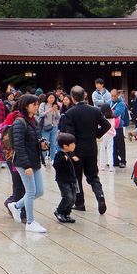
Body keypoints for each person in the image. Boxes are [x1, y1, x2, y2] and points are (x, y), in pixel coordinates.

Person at [63, 86, 111, 214]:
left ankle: (80, 203)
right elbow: (107, 124)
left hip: (77, 148)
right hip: (91, 147)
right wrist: (97, 134)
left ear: (73, 98)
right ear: (85, 96)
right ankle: (100, 196)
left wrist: (70, 152)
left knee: (77, 176)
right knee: (93, 175)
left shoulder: (70, 113)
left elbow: (70, 135)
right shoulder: (95, 110)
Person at [6, 94, 47, 233]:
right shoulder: (19, 122)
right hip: (24, 162)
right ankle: (30, 222)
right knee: (31, 192)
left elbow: (36, 138)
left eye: (37, 104)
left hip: (34, 160)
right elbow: (19, 146)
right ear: (26, 105)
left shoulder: (33, 120)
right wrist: (26, 165)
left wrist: (41, 143)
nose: (37, 106)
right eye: (34, 104)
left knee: (39, 191)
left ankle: (16, 206)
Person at [53, 133, 79, 223]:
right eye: (72, 144)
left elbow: (74, 167)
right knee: (67, 197)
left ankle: (67, 213)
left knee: (73, 198)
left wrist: (76, 161)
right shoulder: (59, 155)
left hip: (72, 179)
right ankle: (59, 211)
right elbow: (56, 166)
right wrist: (63, 160)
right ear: (65, 146)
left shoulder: (72, 154)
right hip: (63, 180)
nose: (74, 146)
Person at [37, 92, 61, 165]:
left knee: (53, 144)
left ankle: (53, 159)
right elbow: (40, 114)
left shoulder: (56, 105)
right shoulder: (43, 105)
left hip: (54, 127)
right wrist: (50, 110)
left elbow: (58, 117)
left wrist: (56, 110)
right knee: (44, 143)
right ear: (47, 98)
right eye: (50, 97)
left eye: (53, 98)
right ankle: (43, 159)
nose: (51, 99)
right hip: (45, 127)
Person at [110, 89, 128, 168]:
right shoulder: (110, 102)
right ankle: (115, 160)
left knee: (120, 144)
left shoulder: (121, 103)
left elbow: (116, 114)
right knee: (112, 144)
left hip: (119, 126)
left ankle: (123, 161)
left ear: (118, 95)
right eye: (112, 96)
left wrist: (107, 113)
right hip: (111, 126)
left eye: (115, 96)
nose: (113, 97)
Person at [98, 104, 118, 172]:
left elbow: (99, 125)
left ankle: (102, 166)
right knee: (110, 150)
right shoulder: (112, 117)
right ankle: (111, 166)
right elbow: (113, 126)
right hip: (111, 134)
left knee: (102, 149)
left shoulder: (101, 117)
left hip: (103, 133)